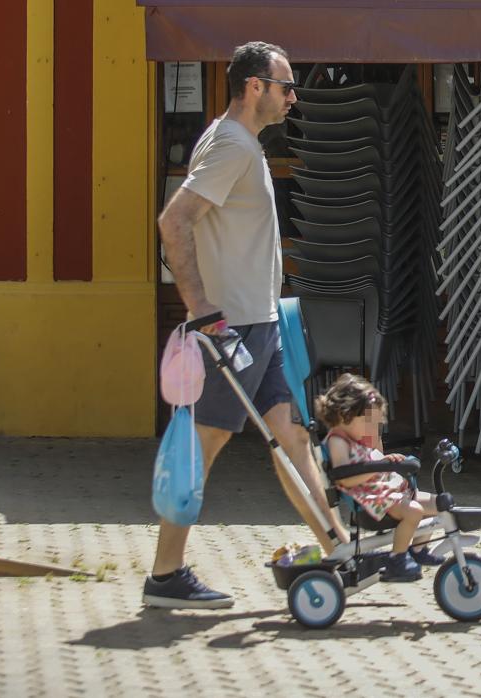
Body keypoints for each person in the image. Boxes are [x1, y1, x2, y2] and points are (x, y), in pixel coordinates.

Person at [144, 41, 350, 609]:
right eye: (286, 86)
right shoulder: (232, 145)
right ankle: (165, 575)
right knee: (199, 453)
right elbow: (174, 220)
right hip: (229, 331)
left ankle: (337, 546)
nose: (293, 96)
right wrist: (201, 308)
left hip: (258, 326)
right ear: (255, 86)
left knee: (292, 436)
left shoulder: (234, 141)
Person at [315, 374, 445, 582]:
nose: (372, 430)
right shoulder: (338, 441)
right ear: (344, 414)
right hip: (371, 503)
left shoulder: (357, 439)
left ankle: (417, 550)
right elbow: (344, 477)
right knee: (415, 512)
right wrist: (382, 465)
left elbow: (372, 461)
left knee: (438, 504)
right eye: (368, 422)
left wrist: (386, 460)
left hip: (385, 494)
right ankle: (397, 560)